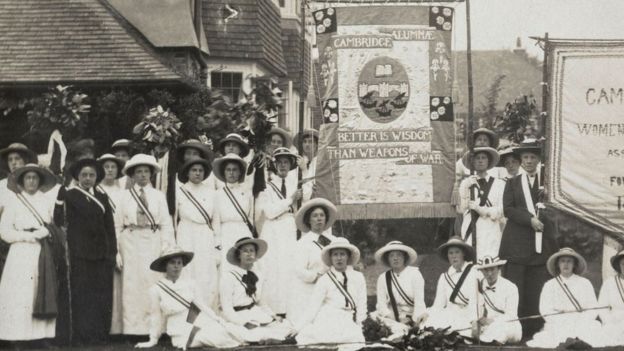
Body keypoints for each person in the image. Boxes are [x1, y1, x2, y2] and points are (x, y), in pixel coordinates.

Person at [498, 139, 558, 338]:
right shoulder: (513, 183)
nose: (529, 161)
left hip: (541, 246)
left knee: (537, 289)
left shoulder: (548, 183)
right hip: (517, 243)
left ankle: (536, 328)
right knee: (516, 288)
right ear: (520, 160)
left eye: (533, 157)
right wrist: (529, 220)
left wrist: (546, 209)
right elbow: (508, 209)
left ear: (539, 159)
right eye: (526, 157)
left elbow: (556, 209)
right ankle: (517, 329)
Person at [53, 158, 116, 345]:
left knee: (100, 294)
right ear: (78, 177)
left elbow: (109, 227)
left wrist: (112, 252)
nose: (88, 178)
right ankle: (80, 336)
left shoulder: (102, 196)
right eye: (84, 175)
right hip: (78, 253)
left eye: (92, 175)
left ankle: (98, 334)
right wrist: (59, 199)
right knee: (81, 294)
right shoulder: (70, 194)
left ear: (97, 177)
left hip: (101, 253)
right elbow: (59, 221)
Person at [136, 246, 243, 349]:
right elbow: (156, 316)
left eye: (179, 263)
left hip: (196, 320)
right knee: (212, 337)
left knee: (225, 331)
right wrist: (153, 339)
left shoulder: (191, 284)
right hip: (178, 329)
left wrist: (218, 319)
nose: (176, 266)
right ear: (165, 266)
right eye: (172, 263)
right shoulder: (156, 289)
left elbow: (202, 306)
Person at [116, 154, 175, 336]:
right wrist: (116, 251)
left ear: (151, 174)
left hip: (152, 241)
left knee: (153, 283)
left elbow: (166, 223)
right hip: (131, 242)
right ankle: (133, 329)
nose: (142, 175)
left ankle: (155, 328)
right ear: (132, 175)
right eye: (138, 172)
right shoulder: (123, 196)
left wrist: (167, 246)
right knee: (132, 285)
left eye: (146, 171)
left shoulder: (158, 196)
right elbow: (117, 224)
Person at [0, 164, 57, 341]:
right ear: (22, 181)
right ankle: (16, 337)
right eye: (28, 178)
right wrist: (27, 236)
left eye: (35, 178)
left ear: (39, 181)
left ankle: (40, 336)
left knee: (38, 290)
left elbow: (52, 226)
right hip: (20, 253)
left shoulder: (46, 201)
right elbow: (4, 232)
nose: (31, 181)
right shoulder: (14, 201)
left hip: (41, 252)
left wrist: (45, 232)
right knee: (19, 294)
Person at [291, 237, 367, 345]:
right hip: (329, 316)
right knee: (326, 337)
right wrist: (297, 327)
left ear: (348, 257)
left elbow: (362, 304)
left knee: (355, 336)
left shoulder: (358, 277)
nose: (339, 258)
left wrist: (361, 324)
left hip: (349, 316)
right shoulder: (324, 279)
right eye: (335, 254)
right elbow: (313, 306)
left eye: (342, 254)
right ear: (330, 258)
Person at [219, 237, 293, 343]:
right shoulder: (228, 277)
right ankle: (269, 339)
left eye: (252, 251)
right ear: (238, 255)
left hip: (255, 313)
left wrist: (273, 315)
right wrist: (244, 323)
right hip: (238, 316)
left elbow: (262, 303)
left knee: (285, 325)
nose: (249, 254)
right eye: (245, 251)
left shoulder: (258, 275)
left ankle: (273, 338)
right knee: (246, 332)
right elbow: (227, 310)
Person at [527, 248, 604, 348]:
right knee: (552, 336)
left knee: (593, 328)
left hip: (581, 320)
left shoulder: (585, 283)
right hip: (559, 321)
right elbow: (545, 309)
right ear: (558, 264)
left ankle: (578, 343)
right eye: (562, 261)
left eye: (569, 261)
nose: (566, 264)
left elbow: (593, 307)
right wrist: (560, 320)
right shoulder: (549, 285)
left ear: (574, 264)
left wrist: (582, 320)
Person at [257, 147, 302, 317]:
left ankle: (287, 309)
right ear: (274, 165)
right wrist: (290, 200)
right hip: (272, 230)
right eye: (280, 162)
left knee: (288, 268)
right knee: (271, 269)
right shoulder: (266, 186)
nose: (283, 165)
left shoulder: (294, 185)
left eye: (286, 162)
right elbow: (269, 212)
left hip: (289, 228)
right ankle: (271, 310)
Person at [176, 158, 219, 308]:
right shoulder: (180, 191)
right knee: (187, 273)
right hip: (186, 234)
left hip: (205, 236)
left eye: (201, 170)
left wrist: (217, 243)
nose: (197, 173)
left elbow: (216, 220)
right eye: (194, 170)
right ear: (187, 172)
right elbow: (174, 217)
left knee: (205, 274)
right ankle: (186, 318)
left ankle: (205, 316)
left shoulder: (211, 192)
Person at [288, 198, 338, 322]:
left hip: (333, 288)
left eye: (322, 215)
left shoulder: (334, 241)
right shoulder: (302, 243)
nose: (319, 218)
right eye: (315, 216)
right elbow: (299, 270)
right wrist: (318, 277)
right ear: (309, 220)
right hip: (310, 289)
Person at [424, 236, 478, 336]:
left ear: (463, 253)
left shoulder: (474, 272)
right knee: (428, 326)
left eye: (457, 252)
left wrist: (474, 320)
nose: (454, 256)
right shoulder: (444, 277)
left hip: (467, 314)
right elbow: (438, 304)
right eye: (451, 253)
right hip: (449, 313)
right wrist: (427, 313)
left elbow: (475, 301)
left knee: (460, 332)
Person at [96, 154, 125, 335]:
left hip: (123, 236)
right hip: (103, 237)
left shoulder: (124, 191)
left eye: (113, 167)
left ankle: (120, 327)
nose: (109, 170)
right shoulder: (96, 190)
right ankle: (106, 327)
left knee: (121, 282)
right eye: (105, 166)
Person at [458, 147, 505, 259]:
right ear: (472, 162)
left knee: (491, 260)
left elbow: (502, 210)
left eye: (483, 158)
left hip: (491, 228)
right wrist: (467, 187)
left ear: (488, 161)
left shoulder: (499, 183)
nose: (480, 160)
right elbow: (461, 208)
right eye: (477, 158)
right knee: (472, 260)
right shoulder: (466, 183)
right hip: (472, 226)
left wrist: (482, 210)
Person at [373, 241, 426, 336]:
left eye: (399, 255)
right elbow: (381, 304)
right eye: (391, 255)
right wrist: (394, 317)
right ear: (387, 259)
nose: (395, 258)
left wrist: (414, 320)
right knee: (373, 318)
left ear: (404, 257)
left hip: (412, 313)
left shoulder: (415, 274)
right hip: (392, 314)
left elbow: (419, 301)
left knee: (425, 324)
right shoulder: (383, 277)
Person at [0, 143, 37, 277]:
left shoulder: (35, 184)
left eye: (17, 158)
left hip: (32, 239)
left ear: (26, 161)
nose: (14, 163)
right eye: (10, 160)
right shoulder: (2, 186)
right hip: (5, 241)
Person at [212, 154, 254, 264]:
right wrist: (217, 242)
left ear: (240, 172)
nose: (231, 173)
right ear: (224, 172)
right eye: (228, 170)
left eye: (235, 170)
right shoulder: (217, 194)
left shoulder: (247, 192)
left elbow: (250, 217)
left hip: (243, 233)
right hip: (226, 234)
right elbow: (215, 221)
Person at [472, 256, 521, 344]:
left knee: (500, 332)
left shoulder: (510, 287)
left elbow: (511, 315)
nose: (489, 273)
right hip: (485, 326)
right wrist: (476, 321)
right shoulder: (478, 286)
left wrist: (492, 321)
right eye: (485, 270)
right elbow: (475, 309)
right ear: (481, 271)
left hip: (508, 325)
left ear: (499, 268)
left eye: (492, 269)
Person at [598, 249, 624, 346]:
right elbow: (602, 307)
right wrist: (610, 322)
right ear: (618, 266)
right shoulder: (609, 283)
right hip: (614, 321)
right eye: (623, 264)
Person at [294, 129, 319, 202]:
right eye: (304, 142)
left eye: (310, 141)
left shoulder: (319, 163)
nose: (307, 144)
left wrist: (304, 170)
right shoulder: (300, 161)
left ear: (316, 144)